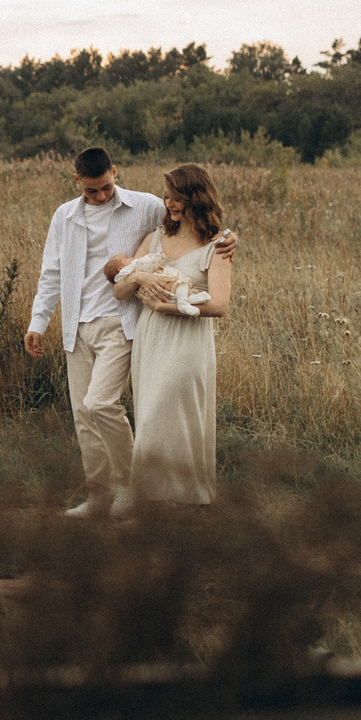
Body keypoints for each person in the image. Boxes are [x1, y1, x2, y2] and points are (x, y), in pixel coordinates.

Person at [24, 148, 235, 514]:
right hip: (76, 323)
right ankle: (99, 495)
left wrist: (232, 238)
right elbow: (52, 272)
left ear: (115, 172)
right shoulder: (64, 216)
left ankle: (129, 488)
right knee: (83, 415)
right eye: (92, 191)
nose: (101, 196)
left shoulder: (145, 206)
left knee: (100, 403)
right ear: (78, 183)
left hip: (121, 324)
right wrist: (38, 323)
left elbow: (201, 227)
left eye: (106, 187)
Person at [113, 164, 237, 505]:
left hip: (189, 338)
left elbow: (220, 304)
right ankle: (157, 498)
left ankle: (186, 495)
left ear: (195, 198)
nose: (169, 204)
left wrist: (169, 307)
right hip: (151, 338)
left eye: (177, 197)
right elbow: (120, 289)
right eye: (167, 197)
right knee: (151, 410)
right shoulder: (155, 238)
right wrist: (141, 279)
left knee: (171, 411)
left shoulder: (217, 245)